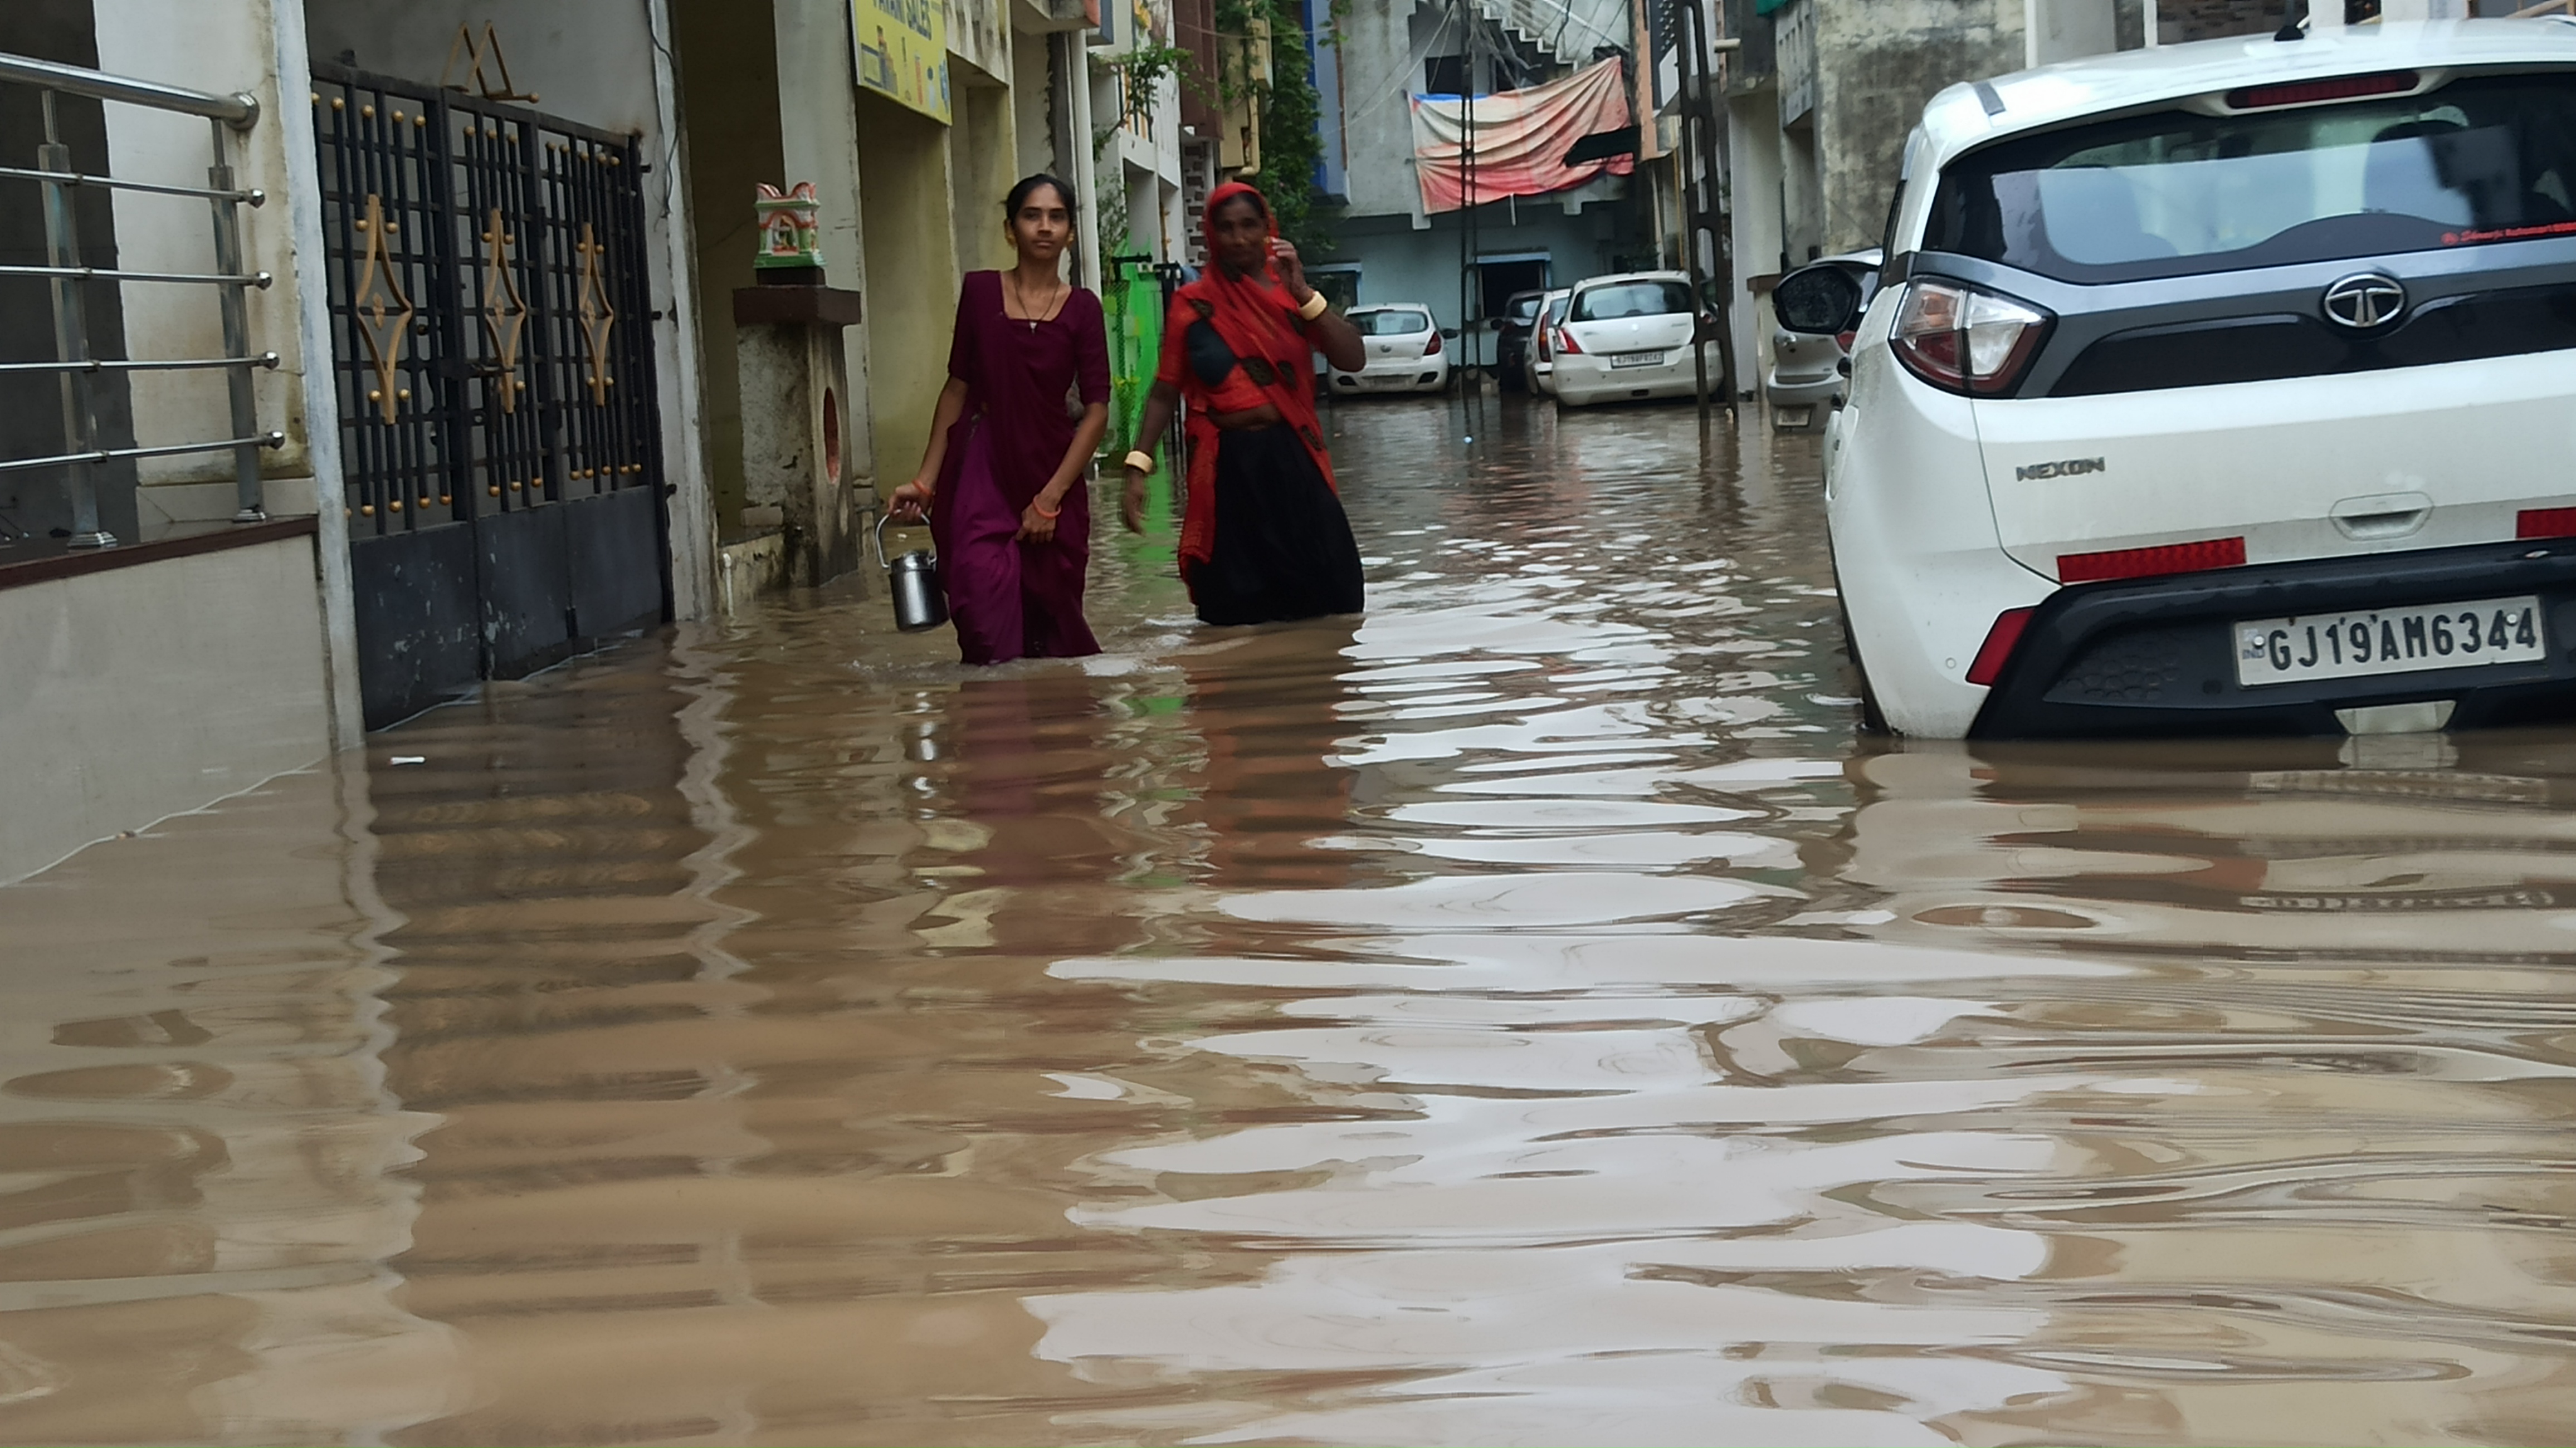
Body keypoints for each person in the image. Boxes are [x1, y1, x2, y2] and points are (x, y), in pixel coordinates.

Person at [1119, 182, 1368, 627]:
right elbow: (1164, 391)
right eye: (1227, 228)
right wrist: (1137, 468)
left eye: (1249, 226)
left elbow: (1352, 358)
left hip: (1293, 461)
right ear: (1212, 234)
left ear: (1267, 229)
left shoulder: (1292, 295)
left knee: (1330, 597)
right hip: (1228, 470)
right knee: (1234, 607)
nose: (1238, 238)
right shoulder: (1192, 304)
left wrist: (1305, 293)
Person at [889, 175, 1109, 664]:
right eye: (1032, 216)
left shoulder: (1083, 310)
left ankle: (1056, 731)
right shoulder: (982, 293)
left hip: (1053, 469)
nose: (1045, 228)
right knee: (979, 603)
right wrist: (925, 483)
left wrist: (1050, 500)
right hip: (983, 469)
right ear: (1011, 230)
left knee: (1053, 625)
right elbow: (957, 387)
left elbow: (1096, 410)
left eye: (1057, 217)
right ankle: (992, 729)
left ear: (1071, 232)